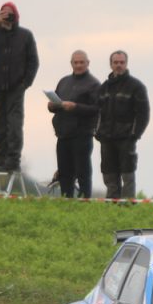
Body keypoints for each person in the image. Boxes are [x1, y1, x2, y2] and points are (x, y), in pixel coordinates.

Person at [0, 1, 39, 172]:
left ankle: (13, 159)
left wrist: (25, 83)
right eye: (3, 12)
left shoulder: (25, 35)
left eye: (9, 13)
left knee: (14, 125)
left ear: (16, 15)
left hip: (15, 88)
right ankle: (1, 158)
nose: (6, 16)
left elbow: (33, 61)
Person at [95, 50, 150, 199]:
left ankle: (127, 205)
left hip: (126, 138)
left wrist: (134, 135)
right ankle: (112, 204)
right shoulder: (103, 88)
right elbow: (96, 112)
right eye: (116, 62)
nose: (119, 65)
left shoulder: (136, 86)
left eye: (122, 62)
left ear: (126, 64)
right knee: (109, 174)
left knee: (128, 174)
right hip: (106, 138)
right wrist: (97, 132)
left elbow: (143, 114)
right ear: (111, 64)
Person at [48, 50, 101, 198]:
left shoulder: (94, 84)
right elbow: (57, 103)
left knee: (82, 171)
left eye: (81, 62)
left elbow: (97, 109)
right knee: (64, 172)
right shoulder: (64, 81)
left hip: (82, 135)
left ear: (88, 63)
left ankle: (84, 200)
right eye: (75, 62)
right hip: (63, 134)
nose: (78, 65)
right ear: (71, 63)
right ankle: (67, 202)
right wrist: (52, 106)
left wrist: (76, 107)